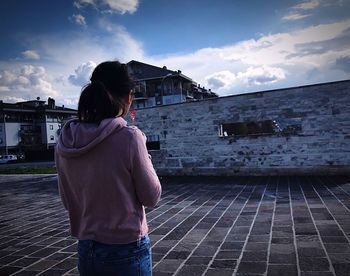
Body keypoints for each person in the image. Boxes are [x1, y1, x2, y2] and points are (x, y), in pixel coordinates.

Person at [55, 61, 161, 276]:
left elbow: (68, 202)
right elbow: (152, 197)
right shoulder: (130, 138)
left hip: (86, 248)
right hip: (126, 249)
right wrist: (145, 158)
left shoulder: (64, 141)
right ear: (129, 96)